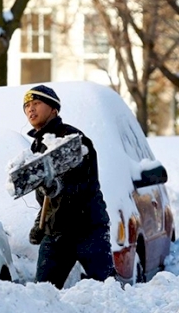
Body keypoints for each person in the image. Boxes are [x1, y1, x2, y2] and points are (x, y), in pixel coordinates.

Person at [23, 84, 114, 288]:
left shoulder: (73, 139)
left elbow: (83, 183)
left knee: (106, 290)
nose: (31, 109)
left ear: (53, 109)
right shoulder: (36, 146)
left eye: (36, 103)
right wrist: (40, 224)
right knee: (42, 294)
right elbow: (45, 195)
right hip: (56, 232)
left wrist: (57, 187)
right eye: (27, 106)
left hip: (87, 228)